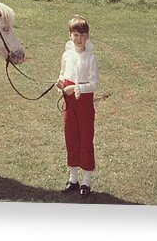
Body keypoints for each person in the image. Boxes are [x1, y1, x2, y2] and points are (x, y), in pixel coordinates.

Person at [57, 15, 99, 197]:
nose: (78, 38)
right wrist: (60, 85)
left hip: (84, 101)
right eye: (75, 34)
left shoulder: (91, 58)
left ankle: (86, 182)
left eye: (82, 34)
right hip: (69, 102)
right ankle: (73, 179)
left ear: (87, 36)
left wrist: (75, 87)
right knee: (71, 136)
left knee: (85, 138)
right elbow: (61, 74)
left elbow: (94, 84)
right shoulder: (66, 55)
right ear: (70, 35)